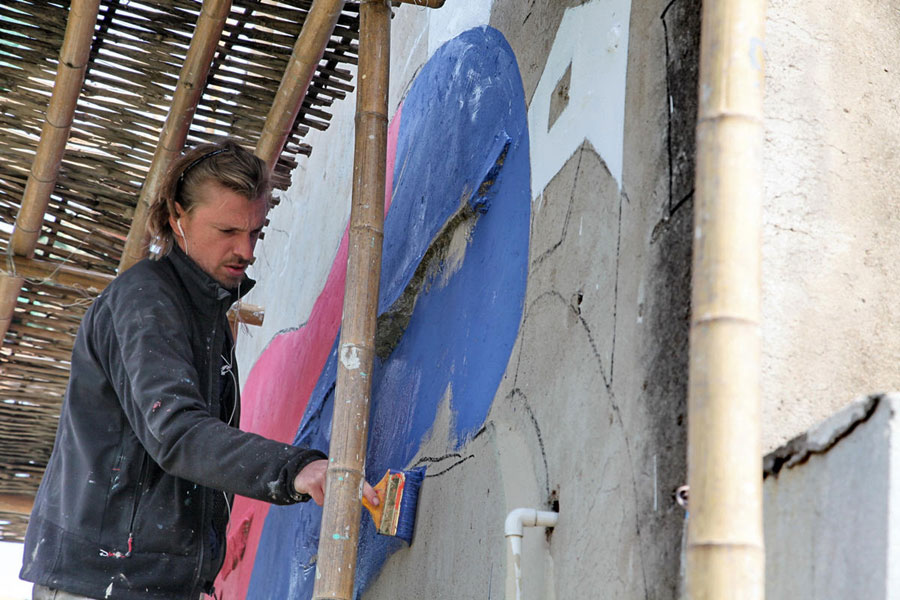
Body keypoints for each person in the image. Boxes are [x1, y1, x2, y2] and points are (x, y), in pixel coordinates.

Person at [20, 139, 378, 600]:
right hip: (100, 584)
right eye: (227, 230)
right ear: (177, 218)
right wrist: (298, 469)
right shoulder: (146, 300)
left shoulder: (202, 313)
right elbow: (178, 434)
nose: (245, 250)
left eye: (255, 231)